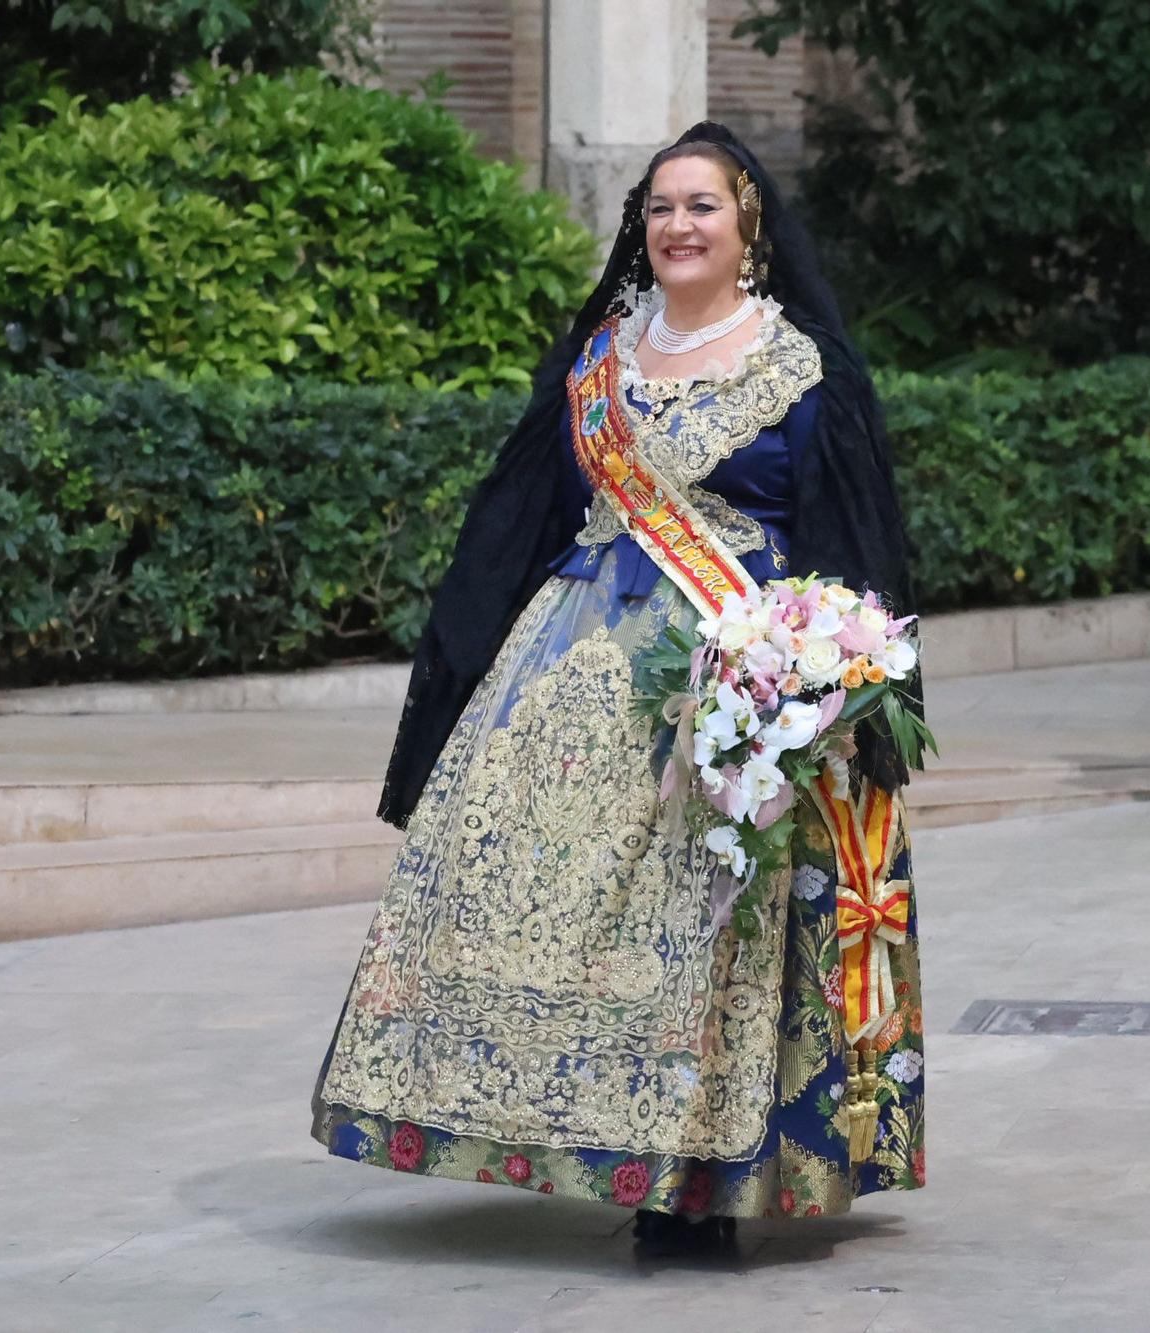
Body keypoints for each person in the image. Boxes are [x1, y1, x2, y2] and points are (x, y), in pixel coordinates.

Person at [311, 123, 928, 1255]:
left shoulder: (800, 368)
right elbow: (525, 516)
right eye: (659, 208)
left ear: (747, 224)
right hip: (567, 671)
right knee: (522, 898)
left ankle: (693, 1180)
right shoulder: (601, 360)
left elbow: (854, 534)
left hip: (731, 681)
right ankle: (551, 1126)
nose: (677, 225)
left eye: (701, 205)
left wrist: (825, 673)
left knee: (703, 921)